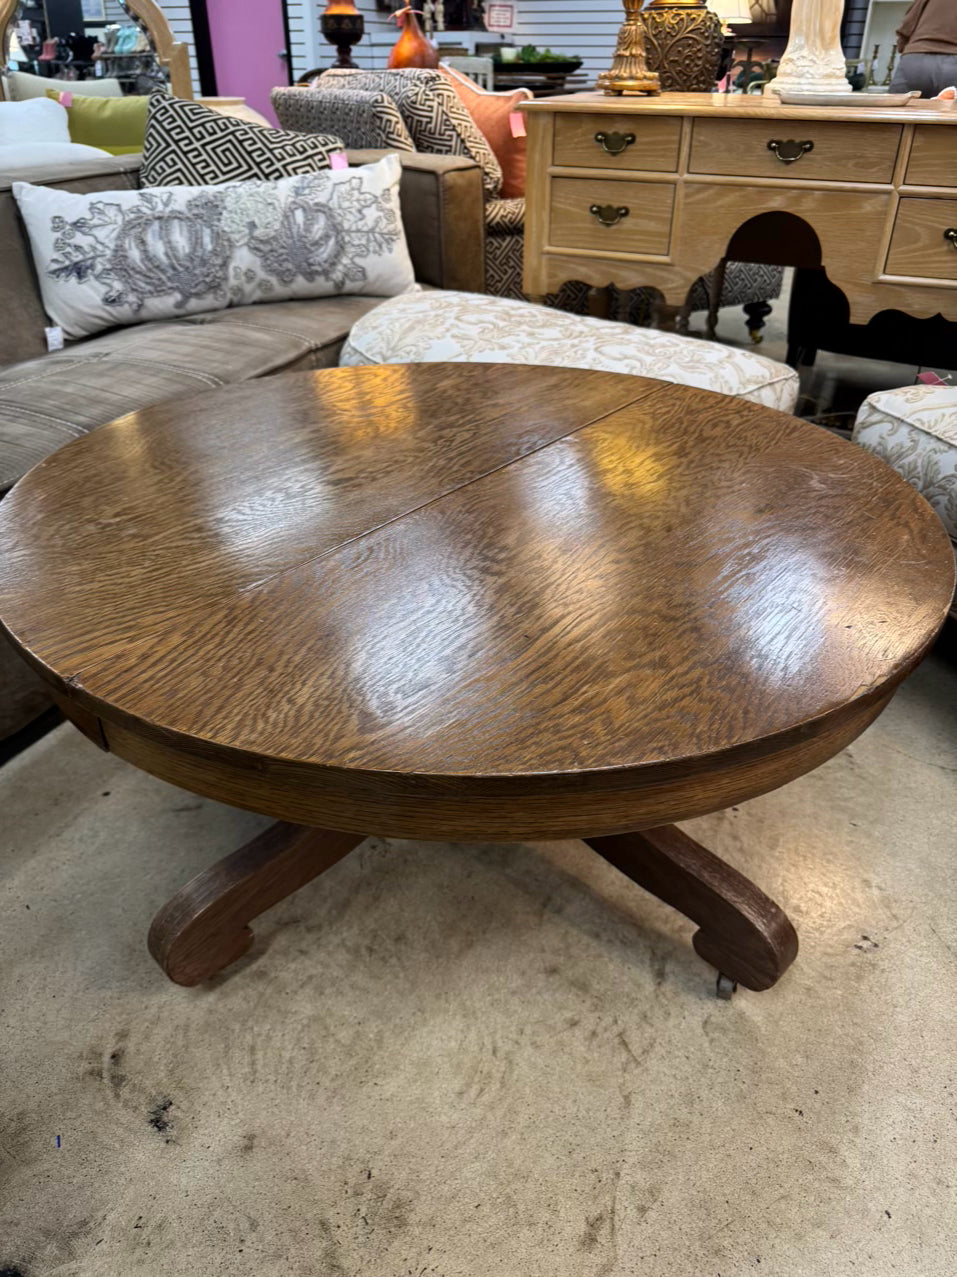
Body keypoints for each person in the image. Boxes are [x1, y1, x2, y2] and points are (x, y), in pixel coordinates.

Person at [890, 0, 957, 98]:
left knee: (897, 106)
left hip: (915, 59)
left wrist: (905, 49)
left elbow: (906, 26)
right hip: (953, 63)